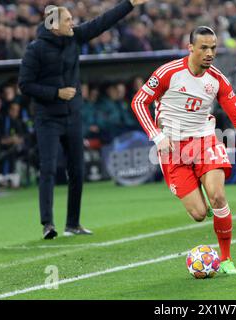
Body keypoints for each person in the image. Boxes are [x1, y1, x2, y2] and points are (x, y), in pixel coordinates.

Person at [131, 26, 236, 274]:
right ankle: (217, 218)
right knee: (199, 213)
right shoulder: (168, 73)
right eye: (203, 47)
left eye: (213, 48)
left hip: (205, 141)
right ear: (190, 48)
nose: (209, 53)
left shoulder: (217, 80)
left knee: (217, 196)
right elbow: (139, 101)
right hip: (172, 148)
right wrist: (156, 135)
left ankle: (226, 260)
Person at [18, 0, 149, 240]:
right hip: (48, 117)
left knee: (77, 171)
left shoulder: (73, 38)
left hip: (73, 116)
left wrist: (129, 4)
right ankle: (48, 223)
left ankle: (73, 223)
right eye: (67, 20)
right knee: (47, 169)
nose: (73, 23)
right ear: (53, 25)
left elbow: (102, 23)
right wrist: (55, 93)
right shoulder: (35, 49)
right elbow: (24, 85)